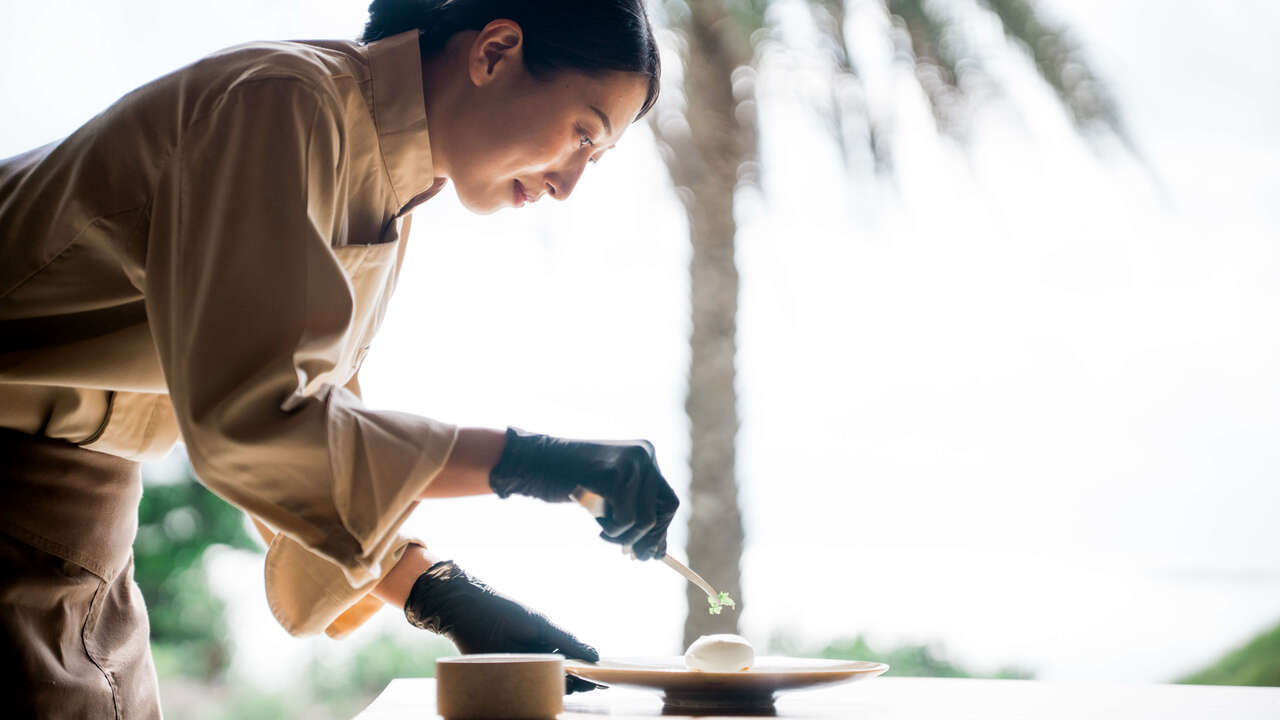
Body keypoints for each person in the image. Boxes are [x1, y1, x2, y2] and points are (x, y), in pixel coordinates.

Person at [0, 0, 678, 716]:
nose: (568, 184)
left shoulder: (376, 171)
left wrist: (442, 596)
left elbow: (305, 445)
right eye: (581, 135)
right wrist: (535, 462)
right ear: (493, 53)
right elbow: (255, 421)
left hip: (81, 537)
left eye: (592, 160)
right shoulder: (283, 104)